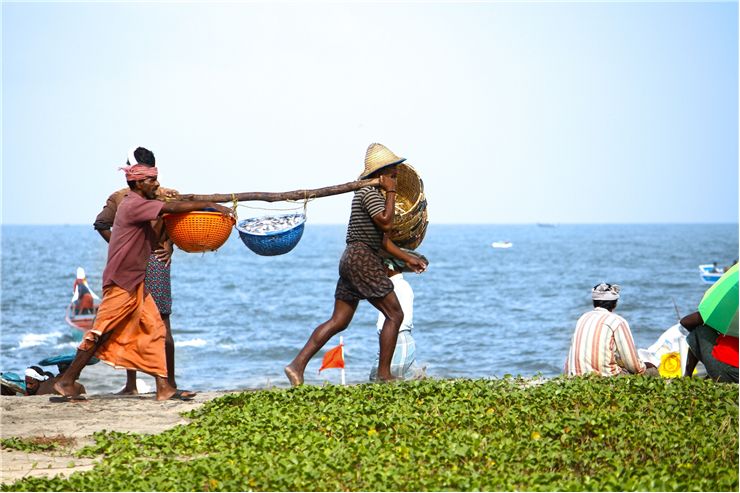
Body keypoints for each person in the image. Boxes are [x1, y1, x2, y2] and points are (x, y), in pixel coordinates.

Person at [53, 152, 234, 401]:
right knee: (101, 331)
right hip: (122, 281)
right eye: (151, 180)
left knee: (155, 329)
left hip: (136, 280)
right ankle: (66, 380)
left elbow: (169, 215)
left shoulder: (140, 202)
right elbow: (171, 207)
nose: (156, 184)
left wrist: (169, 245)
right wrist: (212, 206)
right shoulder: (133, 203)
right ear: (138, 183)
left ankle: (164, 388)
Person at [285, 143, 428, 386]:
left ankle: (296, 366)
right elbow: (385, 223)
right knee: (395, 314)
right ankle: (384, 374)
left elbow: (384, 242)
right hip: (361, 259)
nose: (395, 176)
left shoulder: (372, 195)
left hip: (353, 259)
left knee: (339, 321)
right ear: (380, 174)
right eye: (392, 173)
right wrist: (391, 193)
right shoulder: (369, 194)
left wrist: (408, 259)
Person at [93, 146, 180, 395]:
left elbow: (101, 223)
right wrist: (128, 246)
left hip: (148, 262)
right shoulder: (157, 195)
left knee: (139, 322)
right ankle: (166, 384)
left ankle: (145, 384)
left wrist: (168, 247)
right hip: (153, 262)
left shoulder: (123, 196)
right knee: (161, 323)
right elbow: (178, 222)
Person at [565, 283, 657, 377]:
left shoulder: (583, 318)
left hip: (575, 376)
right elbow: (633, 365)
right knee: (652, 370)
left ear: (594, 302)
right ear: (615, 303)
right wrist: (646, 366)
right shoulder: (617, 321)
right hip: (605, 378)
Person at [369, 254, 426, 381]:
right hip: (395, 340)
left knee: (380, 381)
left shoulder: (394, 286)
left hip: (398, 339)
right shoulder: (398, 285)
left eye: (381, 265)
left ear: (388, 268)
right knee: (405, 379)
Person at [680, 311, 738, 383]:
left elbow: (685, 321)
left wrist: (713, 314)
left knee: (700, 330)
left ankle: (687, 376)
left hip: (725, 371)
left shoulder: (733, 310)